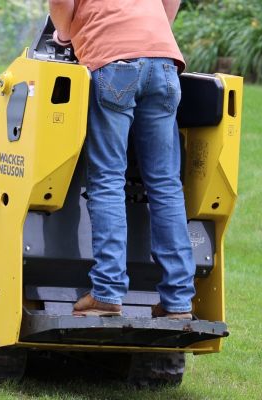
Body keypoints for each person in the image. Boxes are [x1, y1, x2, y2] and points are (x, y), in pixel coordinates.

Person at [48, 0, 195, 319]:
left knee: (107, 180)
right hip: (164, 62)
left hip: (113, 61)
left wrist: (64, 34)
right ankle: (178, 301)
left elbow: (61, 3)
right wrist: (153, 31)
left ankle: (107, 292)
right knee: (166, 184)